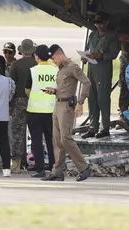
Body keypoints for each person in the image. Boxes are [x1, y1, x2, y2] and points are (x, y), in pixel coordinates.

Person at [43, 44, 92, 182]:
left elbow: (86, 82)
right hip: (57, 104)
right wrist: (54, 91)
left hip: (66, 106)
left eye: (54, 58)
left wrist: (81, 102)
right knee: (57, 140)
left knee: (66, 138)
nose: (53, 61)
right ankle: (57, 172)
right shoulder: (61, 69)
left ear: (60, 54)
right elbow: (64, 86)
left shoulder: (72, 67)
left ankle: (84, 168)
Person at [83, 13, 119, 138]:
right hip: (91, 69)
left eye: (101, 23)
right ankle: (92, 127)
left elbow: (114, 54)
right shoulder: (93, 34)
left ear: (107, 23)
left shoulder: (111, 37)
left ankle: (105, 128)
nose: (99, 26)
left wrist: (102, 56)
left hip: (103, 69)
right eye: (97, 23)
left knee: (102, 98)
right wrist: (85, 56)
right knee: (91, 98)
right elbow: (88, 48)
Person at [26, 44, 57, 177]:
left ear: (36, 56)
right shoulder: (56, 70)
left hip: (34, 110)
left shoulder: (33, 70)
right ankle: (53, 166)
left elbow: (27, 90)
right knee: (51, 140)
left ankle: (39, 168)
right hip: (51, 110)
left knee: (37, 140)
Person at [7, 39, 36, 172]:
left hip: (19, 101)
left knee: (17, 133)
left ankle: (16, 163)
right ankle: (36, 160)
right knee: (36, 132)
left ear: (21, 51)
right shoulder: (37, 64)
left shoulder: (16, 65)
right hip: (35, 101)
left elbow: (11, 87)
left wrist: (10, 105)